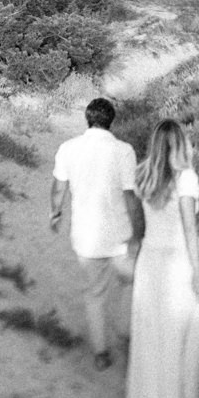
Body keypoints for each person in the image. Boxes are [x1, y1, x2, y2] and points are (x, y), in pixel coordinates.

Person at [123, 118, 199, 398]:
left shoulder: (142, 174)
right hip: (179, 262)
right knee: (183, 337)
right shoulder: (185, 178)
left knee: (152, 337)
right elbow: (190, 229)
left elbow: (139, 224)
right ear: (181, 143)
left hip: (151, 261)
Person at [50, 96, 142, 372]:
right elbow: (130, 194)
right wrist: (138, 230)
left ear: (87, 119)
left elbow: (58, 188)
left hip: (86, 234)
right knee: (132, 281)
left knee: (94, 293)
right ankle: (125, 331)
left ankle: (101, 352)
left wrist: (55, 213)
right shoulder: (124, 151)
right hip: (118, 233)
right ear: (111, 121)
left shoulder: (68, 148)